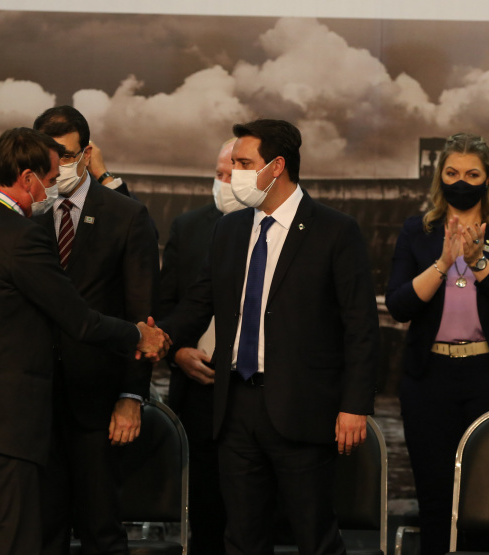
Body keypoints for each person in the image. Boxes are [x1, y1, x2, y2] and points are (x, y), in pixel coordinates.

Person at [0, 127, 168, 555]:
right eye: (52, 175)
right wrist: (139, 334)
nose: (55, 185)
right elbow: (77, 319)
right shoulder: (21, 236)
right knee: (14, 542)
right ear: (28, 178)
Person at [162, 119, 379, 555]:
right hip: (235, 407)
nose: (237, 173)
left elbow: (361, 327)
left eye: (244, 163)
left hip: (302, 408)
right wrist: (158, 338)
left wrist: (354, 406)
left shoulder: (335, 231)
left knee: (314, 536)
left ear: (276, 166)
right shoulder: (230, 229)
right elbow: (198, 302)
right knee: (241, 538)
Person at [385, 132, 489, 554]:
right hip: (430, 380)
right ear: (440, 177)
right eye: (452, 172)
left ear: (488, 179)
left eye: (472, 173)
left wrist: (478, 263)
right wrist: (444, 262)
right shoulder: (417, 231)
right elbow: (399, 305)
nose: (461, 181)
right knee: (435, 503)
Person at [31, 105, 160, 555]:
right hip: (33, 400)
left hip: (100, 402)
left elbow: (141, 316)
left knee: (101, 529)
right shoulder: (27, 212)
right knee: (39, 532)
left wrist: (131, 396)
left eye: (65, 156)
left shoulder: (126, 216)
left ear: (86, 154)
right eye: (48, 157)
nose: (56, 167)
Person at [161, 138, 242, 554]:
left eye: (232, 173)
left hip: (260, 391)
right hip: (199, 390)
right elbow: (165, 307)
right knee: (207, 515)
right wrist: (176, 352)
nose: (223, 182)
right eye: (218, 174)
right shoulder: (188, 228)